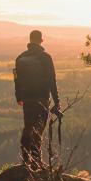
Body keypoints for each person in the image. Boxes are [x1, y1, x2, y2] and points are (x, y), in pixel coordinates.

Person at [14, 30, 60, 169]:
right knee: (38, 129)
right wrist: (57, 101)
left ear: (30, 40)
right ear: (41, 40)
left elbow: (17, 80)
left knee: (28, 127)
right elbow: (52, 80)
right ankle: (35, 162)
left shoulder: (20, 58)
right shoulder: (46, 57)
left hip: (27, 98)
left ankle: (25, 159)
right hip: (42, 97)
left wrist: (19, 97)